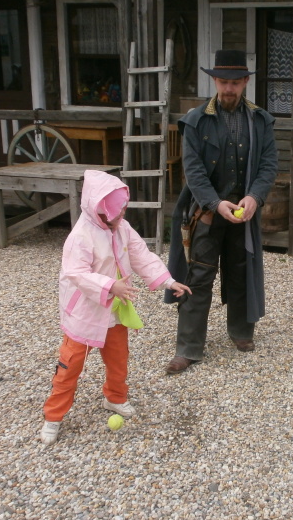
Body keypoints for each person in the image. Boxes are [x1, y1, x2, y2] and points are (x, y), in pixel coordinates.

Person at [40, 170, 191, 445]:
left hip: (115, 311)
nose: (120, 216)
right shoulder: (80, 236)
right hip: (85, 313)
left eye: (122, 211)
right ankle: (53, 415)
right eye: (115, 213)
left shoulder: (122, 227)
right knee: (70, 365)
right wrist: (110, 286)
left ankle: (115, 397)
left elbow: (141, 255)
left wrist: (168, 281)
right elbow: (76, 273)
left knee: (119, 359)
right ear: (97, 210)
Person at [164, 49, 278, 374]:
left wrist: (255, 197)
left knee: (241, 271)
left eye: (235, 82)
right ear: (214, 81)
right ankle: (188, 348)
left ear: (245, 82)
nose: (229, 88)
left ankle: (241, 331)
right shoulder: (195, 120)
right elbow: (193, 170)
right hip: (206, 212)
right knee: (198, 275)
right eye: (223, 82)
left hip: (243, 212)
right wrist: (214, 203)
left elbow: (269, 165)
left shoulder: (260, 120)